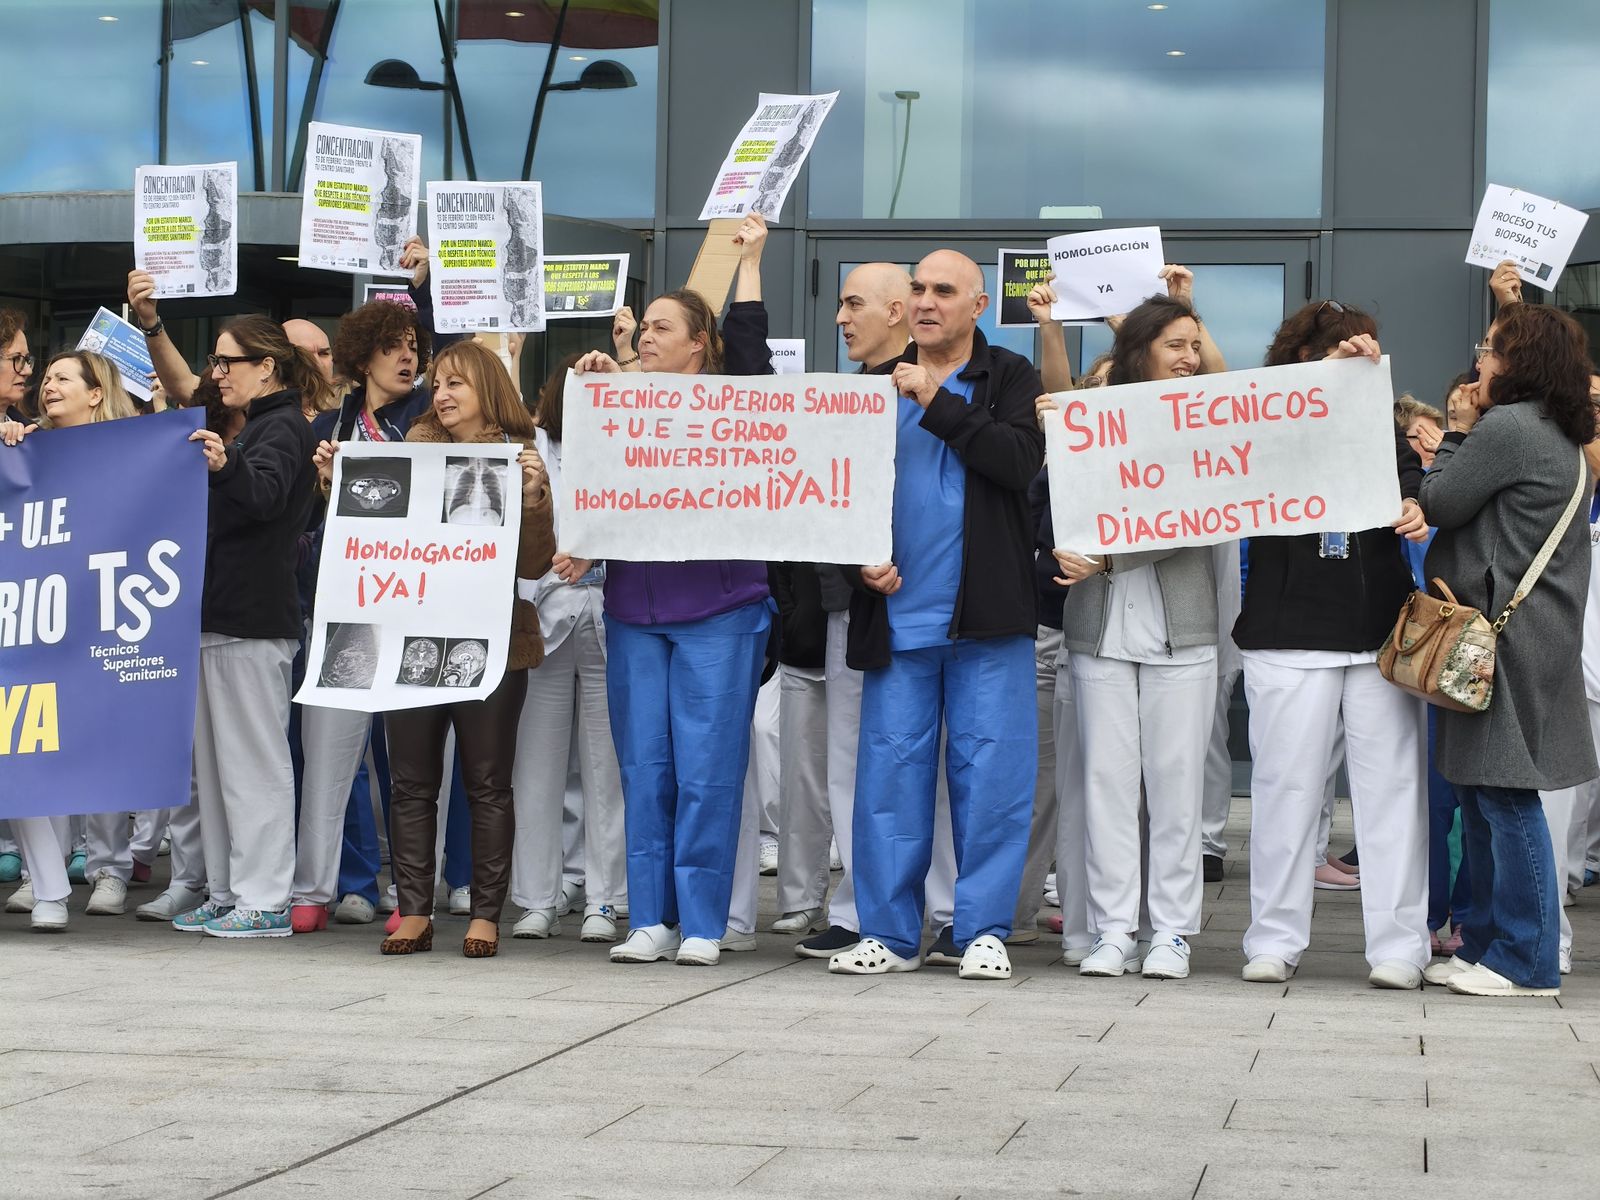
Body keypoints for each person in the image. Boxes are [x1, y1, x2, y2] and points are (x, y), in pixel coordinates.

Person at [826, 249, 1043, 982]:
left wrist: (936, 401)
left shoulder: (1008, 376)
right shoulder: (865, 389)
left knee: (992, 777)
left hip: (988, 616)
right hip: (897, 617)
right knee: (889, 778)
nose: (925, 302)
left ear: (977, 305)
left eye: (943, 291)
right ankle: (888, 932)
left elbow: (1018, 463)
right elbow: (832, 496)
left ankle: (981, 930)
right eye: (917, 289)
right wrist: (859, 560)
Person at [567, 262, 775, 969]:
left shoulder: (736, 406)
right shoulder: (613, 403)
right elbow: (589, 494)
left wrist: (749, 262)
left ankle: (705, 923)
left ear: (699, 343)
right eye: (643, 327)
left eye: (663, 327)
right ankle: (650, 917)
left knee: (708, 770)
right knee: (645, 769)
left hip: (720, 606)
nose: (647, 337)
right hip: (633, 606)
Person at [1233, 300, 1431, 988]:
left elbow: (1413, 481)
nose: (1362, 360)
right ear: (1302, 360)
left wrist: (1415, 504)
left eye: (1366, 351)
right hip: (1286, 633)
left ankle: (1401, 946)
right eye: (1344, 351)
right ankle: (1273, 939)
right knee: (1285, 790)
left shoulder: (1383, 419)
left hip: (1377, 628)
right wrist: (1322, 380)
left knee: (1392, 792)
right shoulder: (1263, 417)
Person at [1048, 273, 1221, 981]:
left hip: (1182, 632)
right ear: (1140, 350)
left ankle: (1173, 932)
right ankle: (1115, 928)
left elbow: (1185, 517)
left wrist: (1109, 554)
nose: (1188, 356)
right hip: (1099, 631)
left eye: (1195, 345)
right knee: (1107, 786)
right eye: (1175, 345)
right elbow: (1062, 490)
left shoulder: (1204, 421)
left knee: (1176, 788)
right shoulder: (1093, 412)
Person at [1421, 304, 1597, 997]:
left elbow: (1440, 501)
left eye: (1490, 350)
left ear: (1517, 363)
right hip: (1532, 633)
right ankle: (1487, 945)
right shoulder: (1556, 431)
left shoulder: (1509, 428)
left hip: (1504, 636)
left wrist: (1455, 433)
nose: (1479, 363)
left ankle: (1526, 962)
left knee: (1503, 791)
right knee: (1480, 787)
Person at [367, 339, 555, 958]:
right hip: (413, 640)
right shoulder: (408, 454)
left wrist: (531, 501)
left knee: (486, 782)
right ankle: (414, 910)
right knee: (411, 782)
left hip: (492, 641)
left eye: (456, 385)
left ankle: (484, 913)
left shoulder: (519, 459)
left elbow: (533, 565)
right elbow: (369, 546)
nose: (441, 395)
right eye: (436, 383)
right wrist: (335, 485)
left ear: (488, 391)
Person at [291, 296, 431, 933]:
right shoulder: (330, 421)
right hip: (341, 605)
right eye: (393, 345)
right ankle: (317, 887)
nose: (408, 356)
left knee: (406, 761)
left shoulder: (429, 418)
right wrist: (322, 491)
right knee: (329, 755)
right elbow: (300, 520)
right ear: (362, 354)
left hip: (408, 606)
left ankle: (411, 887)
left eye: (414, 346)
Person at [178, 317, 319, 937]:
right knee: (216, 770)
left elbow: (262, 496)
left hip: (253, 621)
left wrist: (224, 467)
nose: (217, 373)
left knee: (253, 764)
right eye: (214, 361)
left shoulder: (283, 426)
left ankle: (264, 897)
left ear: (267, 367)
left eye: (227, 362)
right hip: (223, 617)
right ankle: (230, 888)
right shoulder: (263, 427)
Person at [0, 350, 139, 930]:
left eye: (60, 377)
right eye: (39, 372)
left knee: (60, 746)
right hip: (28, 621)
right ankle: (47, 880)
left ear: (96, 393)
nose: (42, 382)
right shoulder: (23, 443)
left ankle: (89, 874)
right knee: (25, 746)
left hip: (74, 620)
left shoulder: (123, 450)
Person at [508, 355, 628, 943]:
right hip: (545, 618)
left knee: (607, 768)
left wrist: (621, 371)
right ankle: (537, 896)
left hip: (613, 615)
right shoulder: (534, 445)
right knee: (537, 761)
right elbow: (501, 382)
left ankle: (605, 900)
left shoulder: (630, 448)